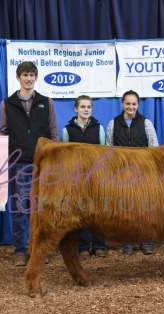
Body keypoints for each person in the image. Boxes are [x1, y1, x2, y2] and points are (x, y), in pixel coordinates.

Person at [0, 61, 58, 267]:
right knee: (21, 207)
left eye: (31, 75)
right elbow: (2, 131)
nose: (28, 78)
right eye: (25, 75)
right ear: (18, 77)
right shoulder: (7, 104)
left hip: (44, 163)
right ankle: (21, 249)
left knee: (42, 208)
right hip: (19, 162)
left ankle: (40, 249)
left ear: (36, 77)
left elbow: (53, 134)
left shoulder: (47, 102)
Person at [106, 90, 157, 255]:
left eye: (134, 104)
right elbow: (108, 150)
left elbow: (154, 149)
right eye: (127, 103)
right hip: (121, 174)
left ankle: (146, 242)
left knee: (145, 208)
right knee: (126, 208)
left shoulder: (146, 123)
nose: (130, 106)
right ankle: (127, 243)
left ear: (138, 105)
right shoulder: (113, 124)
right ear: (122, 104)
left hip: (143, 173)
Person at [61, 95, 108, 260]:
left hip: (96, 176)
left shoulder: (99, 128)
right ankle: (83, 247)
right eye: (82, 107)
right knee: (82, 212)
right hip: (77, 178)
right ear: (76, 109)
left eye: (88, 107)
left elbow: (104, 153)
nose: (86, 109)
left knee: (99, 211)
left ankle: (100, 245)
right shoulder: (67, 131)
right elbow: (65, 157)